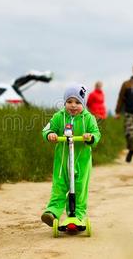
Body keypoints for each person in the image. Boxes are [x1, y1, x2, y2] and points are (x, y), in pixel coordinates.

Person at [40, 84, 101, 226]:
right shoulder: (59, 116)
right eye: (69, 102)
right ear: (65, 102)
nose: (73, 106)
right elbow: (46, 129)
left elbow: (96, 134)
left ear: (83, 104)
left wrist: (90, 137)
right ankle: (52, 211)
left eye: (78, 102)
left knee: (80, 188)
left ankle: (77, 216)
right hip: (62, 161)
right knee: (59, 186)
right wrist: (51, 134)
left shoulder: (88, 118)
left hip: (82, 161)